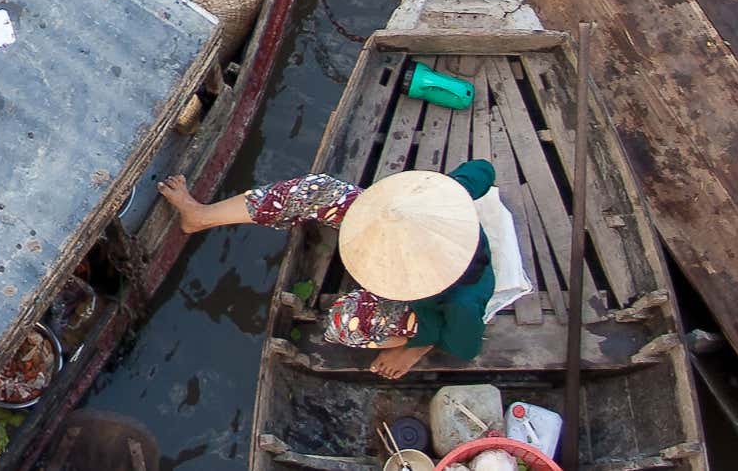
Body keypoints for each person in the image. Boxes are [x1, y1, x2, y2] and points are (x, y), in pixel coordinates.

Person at [158, 161, 498, 378]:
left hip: (428, 311)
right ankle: (201, 216)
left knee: (342, 323)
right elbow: (483, 170)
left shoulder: (462, 302)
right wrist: (447, 187)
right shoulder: (447, 201)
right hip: (391, 216)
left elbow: (465, 347)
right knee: (316, 191)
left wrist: (413, 348)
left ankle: (409, 338)